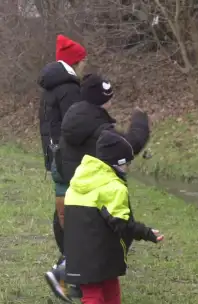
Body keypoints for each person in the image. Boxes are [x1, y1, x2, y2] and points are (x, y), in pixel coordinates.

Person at [45, 73, 150, 302]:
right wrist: (140, 122)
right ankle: (62, 272)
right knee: (107, 241)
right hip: (100, 193)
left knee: (83, 243)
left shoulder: (73, 118)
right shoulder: (100, 128)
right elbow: (129, 147)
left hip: (77, 192)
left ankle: (68, 275)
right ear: (104, 99)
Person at [64, 130, 164, 304]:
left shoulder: (78, 180)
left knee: (101, 288)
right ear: (116, 163)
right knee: (100, 295)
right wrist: (147, 233)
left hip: (78, 254)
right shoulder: (113, 187)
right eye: (126, 164)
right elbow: (122, 224)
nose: (128, 168)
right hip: (102, 255)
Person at [38, 34, 87, 302]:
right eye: (83, 61)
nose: (85, 66)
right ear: (75, 62)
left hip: (55, 160)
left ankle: (67, 269)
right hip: (69, 161)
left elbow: (49, 129)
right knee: (78, 216)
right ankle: (66, 274)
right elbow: (76, 127)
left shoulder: (49, 87)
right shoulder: (68, 89)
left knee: (65, 214)